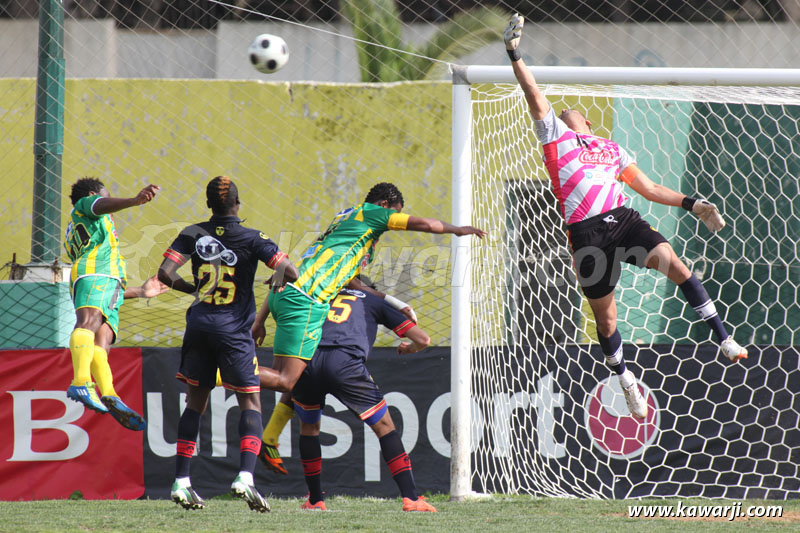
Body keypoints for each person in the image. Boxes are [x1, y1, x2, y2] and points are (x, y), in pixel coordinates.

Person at [503, 14, 748, 420]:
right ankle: (625, 379)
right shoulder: (555, 139)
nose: (567, 111)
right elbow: (532, 92)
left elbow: (650, 189)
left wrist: (693, 203)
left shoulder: (613, 150)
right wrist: (514, 54)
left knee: (679, 269)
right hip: (586, 235)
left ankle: (724, 340)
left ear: (589, 124)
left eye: (575, 112)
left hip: (624, 220)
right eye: (563, 112)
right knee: (607, 318)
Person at [255, 181, 485, 421]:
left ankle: (254, 418)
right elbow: (423, 224)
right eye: (394, 212)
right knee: (285, 381)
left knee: (280, 378)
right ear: (385, 205)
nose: (394, 218)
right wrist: (457, 230)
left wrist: (396, 303)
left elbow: (352, 282)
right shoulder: (372, 214)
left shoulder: (348, 221)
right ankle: (218, 371)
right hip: (306, 301)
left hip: (283, 294)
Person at [156, 176, 299, 512]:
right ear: (238, 204)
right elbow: (290, 272)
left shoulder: (192, 232)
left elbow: (164, 273)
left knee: (195, 403)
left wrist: (191, 290)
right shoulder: (253, 237)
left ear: (209, 205)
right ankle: (245, 478)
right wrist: (278, 276)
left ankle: (181, 481)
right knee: (250, 403)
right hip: (234, 332)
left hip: (199, 326)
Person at [251, 278, 437, 512]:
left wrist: (260, 320)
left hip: (307, 361)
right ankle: (411, 498)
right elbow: (423, 339)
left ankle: (315, 500)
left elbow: (277, 290)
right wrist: (408, 348)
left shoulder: (318, 296)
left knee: (309, 428)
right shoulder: (372, 300)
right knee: (385, 427)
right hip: (345, 364)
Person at [64, 177, 168, 431]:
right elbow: (99, 204)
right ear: (93, 194)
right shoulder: (86, 205)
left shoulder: (89, 229)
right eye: (105, 194)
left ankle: (109, 393)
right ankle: (80, 381)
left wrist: (142, 292)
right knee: (88, 322)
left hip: (103, 281)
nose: (107, 199)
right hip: (96, 274)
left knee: (103, 341)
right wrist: (133, 200)